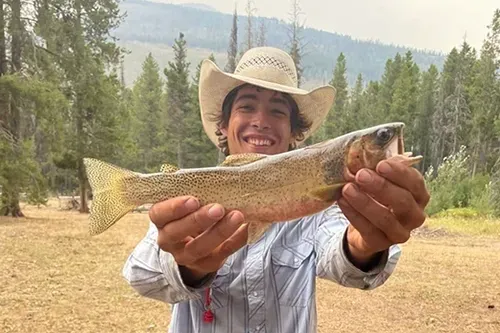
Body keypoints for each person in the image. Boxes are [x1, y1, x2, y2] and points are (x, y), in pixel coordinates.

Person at [122, 46, 430, 332]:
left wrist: (364, 246)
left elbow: (344, 256)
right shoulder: (194, 200)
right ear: (223, 124)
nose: (261, 121)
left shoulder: (321, 205)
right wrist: (186, 266)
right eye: (247, 106)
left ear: (295, 132)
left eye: (278, 111)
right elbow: (141, 276)